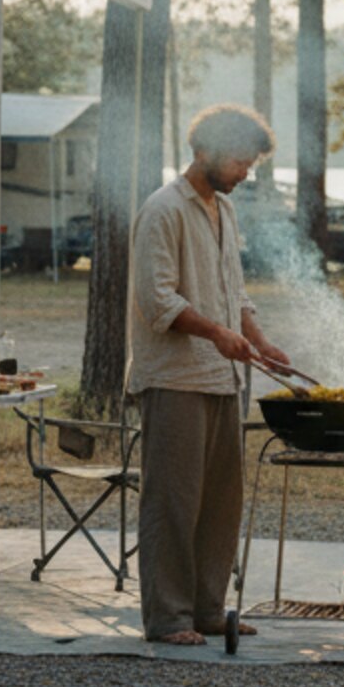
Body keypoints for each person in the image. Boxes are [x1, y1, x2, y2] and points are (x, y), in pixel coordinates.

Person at [127, 103, 293, 647]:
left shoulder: (223, 210)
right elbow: (158, 301)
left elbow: (233, 293)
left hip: (223, 379)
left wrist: (259, 339)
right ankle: (168, 617)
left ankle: (206, 608)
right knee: (173, 500)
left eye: (251, 162)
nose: (247, 171)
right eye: (242, 161)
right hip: (175, 378)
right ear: (206, 152)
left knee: (221, 501)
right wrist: (217, 334)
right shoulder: (163, 210)